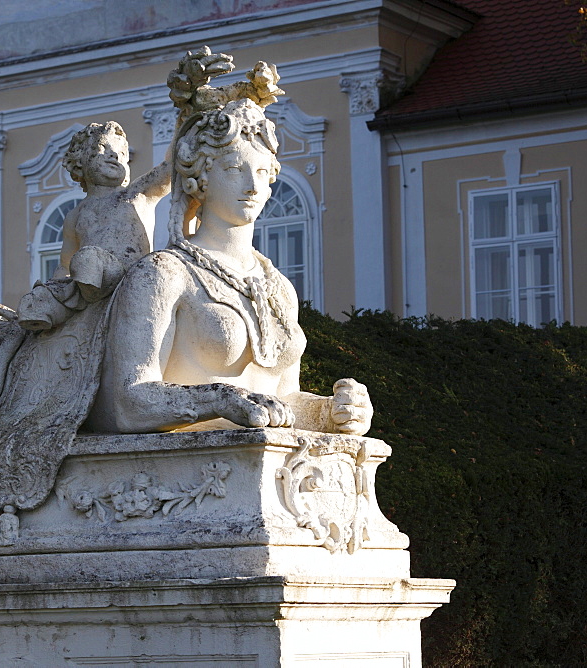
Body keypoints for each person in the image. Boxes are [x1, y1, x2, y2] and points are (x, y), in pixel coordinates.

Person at [87, 98, 373, 436]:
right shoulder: (163, 273)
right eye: (235, 169)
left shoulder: (279, 287)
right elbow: (127, 403)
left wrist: (330, 412)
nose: (253, 185)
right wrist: (220, 400)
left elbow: (280, 401)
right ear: (201, 179)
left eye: (263, 172)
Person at [16, 121, 171, 330]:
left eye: (121, 153)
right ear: (80, 162)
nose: (114, 156)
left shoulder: (136, 194)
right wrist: (53, 289)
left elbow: (169, 169)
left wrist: (186, 117)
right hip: (88, 278)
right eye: (103, 149)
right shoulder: (76, 215)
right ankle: (51, 318)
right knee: (38, 296)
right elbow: (64, 264)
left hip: (129, 274)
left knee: (87, 258)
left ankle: (92, 304)